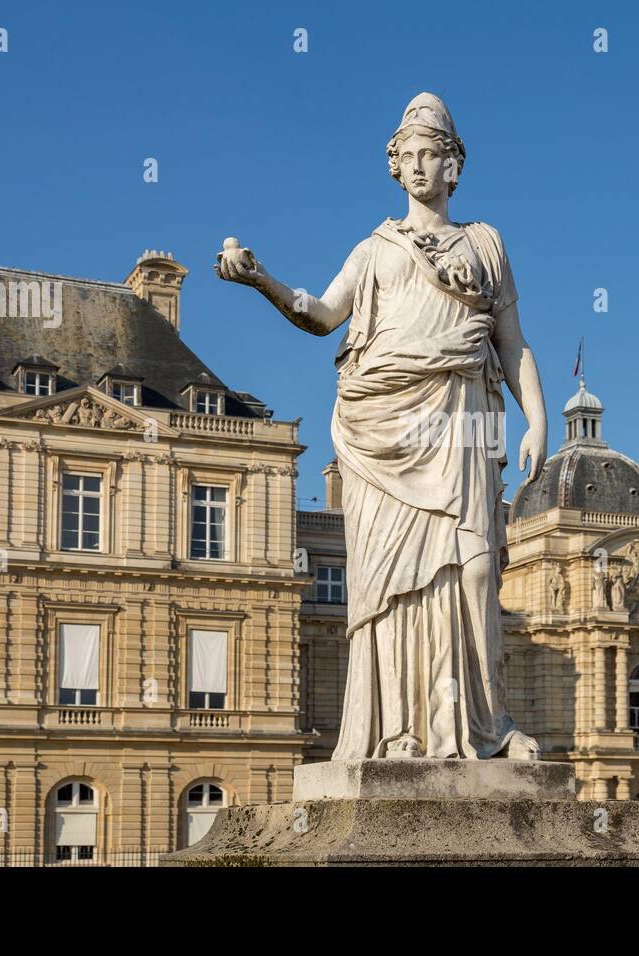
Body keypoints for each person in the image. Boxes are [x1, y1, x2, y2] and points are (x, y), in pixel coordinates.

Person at [216, 93, 547, 761]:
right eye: (409, 155)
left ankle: (486, 724)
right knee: (395, 583)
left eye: (433, 154)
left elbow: (513, 344)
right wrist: (263, 281)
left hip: (462, 422)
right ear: (395, 166)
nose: (420, 166)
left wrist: (537, 417)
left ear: (453, 166)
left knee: (477, 574)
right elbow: (321, 312)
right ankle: (401, 729)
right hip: (384, 427)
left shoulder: (487, 244)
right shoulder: (375, 250)